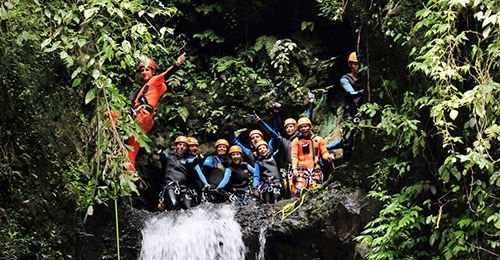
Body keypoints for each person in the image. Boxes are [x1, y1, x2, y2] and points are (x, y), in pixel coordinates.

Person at [125, 53, 186, 171]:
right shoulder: (145, 88)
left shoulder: (154, 81)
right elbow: (162, 88)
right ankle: (128, 175)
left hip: (142, 116)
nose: (144, 72)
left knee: (110, 115)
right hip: (143, 120)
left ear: (153, 71)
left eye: (147, 70)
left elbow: (165, 76)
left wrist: (177, 65)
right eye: (142, 70)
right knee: (131, 152)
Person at [290, 117, 334, 195]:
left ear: (310, 127)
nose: (304, 129)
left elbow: (324, 153)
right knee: (299, 191)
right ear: (299, 129)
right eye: (301, 127)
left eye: (306, 126)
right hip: (301, 171)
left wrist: (328, 157)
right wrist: (294, 169)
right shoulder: (296, 141)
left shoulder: (318, 140)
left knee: (315, 192)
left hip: (315, 171)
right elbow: (294, 156)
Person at [339, 52, 364, 162]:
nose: (357, 67)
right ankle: (346, 164)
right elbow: (351, 93)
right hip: (349, 113)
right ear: (350, 65)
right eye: (355, 64)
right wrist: (362, 92)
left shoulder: (363, 79)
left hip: (361, 111)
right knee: (348, 141)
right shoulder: (345, 79)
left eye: (359, 64)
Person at [160, 135, 195, 210]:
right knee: (173, 203)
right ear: (175, 146)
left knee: (189, 209)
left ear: (187, 148)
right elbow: (163, 155)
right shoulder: (169, 157)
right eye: (179, 145)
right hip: (170, 186)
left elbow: (192, 161)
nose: (181, 147)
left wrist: (197, 158)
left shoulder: (188, 159)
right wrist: (161, 152)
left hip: (183, 188)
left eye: (184, 145)